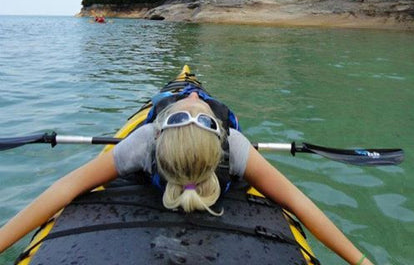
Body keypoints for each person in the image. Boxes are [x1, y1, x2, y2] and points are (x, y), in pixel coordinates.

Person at [0, 92, 374, 265]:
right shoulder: (237, 147)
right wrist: (359, 261)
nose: (194, 93)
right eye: (196, 102)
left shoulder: (143, 141)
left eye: (190, 101)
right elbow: (300, 203)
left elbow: (65, 187)